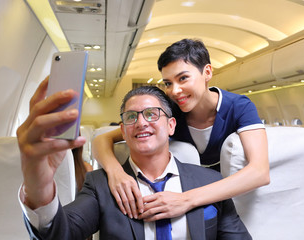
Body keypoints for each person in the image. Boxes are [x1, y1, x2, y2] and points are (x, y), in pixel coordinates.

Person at [17, 81, 252, 239]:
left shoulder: (209, 181)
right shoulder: (100, 185)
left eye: (151, 114)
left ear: (171, 126)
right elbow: (60, 233)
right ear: (123, 130)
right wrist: (39, 185)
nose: (141, 123)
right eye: (131, 117)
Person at [92, 38, 270, 220]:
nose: (175, 91)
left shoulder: (239, 107)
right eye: (168, 83)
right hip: (179, 202)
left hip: (225, 201)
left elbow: (260, 172)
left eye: (183, 78)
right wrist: (116, 174)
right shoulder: (169, 113)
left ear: (207, 72)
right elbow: (101, 139)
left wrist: (186, 199)